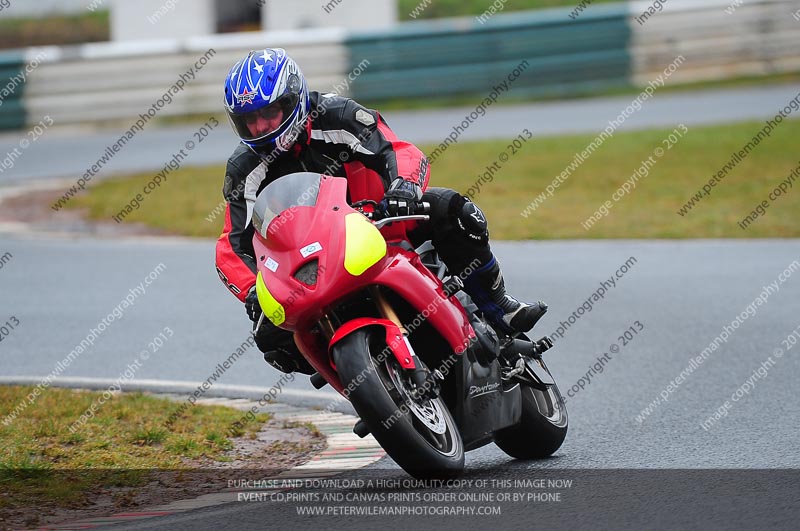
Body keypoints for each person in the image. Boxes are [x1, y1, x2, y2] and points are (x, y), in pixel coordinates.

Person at [215, 48, 547, 375]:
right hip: (313, 264)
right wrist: (253, 288)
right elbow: (233, 244)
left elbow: (397, 150)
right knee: (270, 337)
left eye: (268, 114)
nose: (260, 128)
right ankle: (358, 377)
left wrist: (403, 187)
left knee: (452, 209)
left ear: (293, 100)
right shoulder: (245, 168)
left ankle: (498, 307)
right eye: (249, 121)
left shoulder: (337, 115)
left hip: (384, 225)